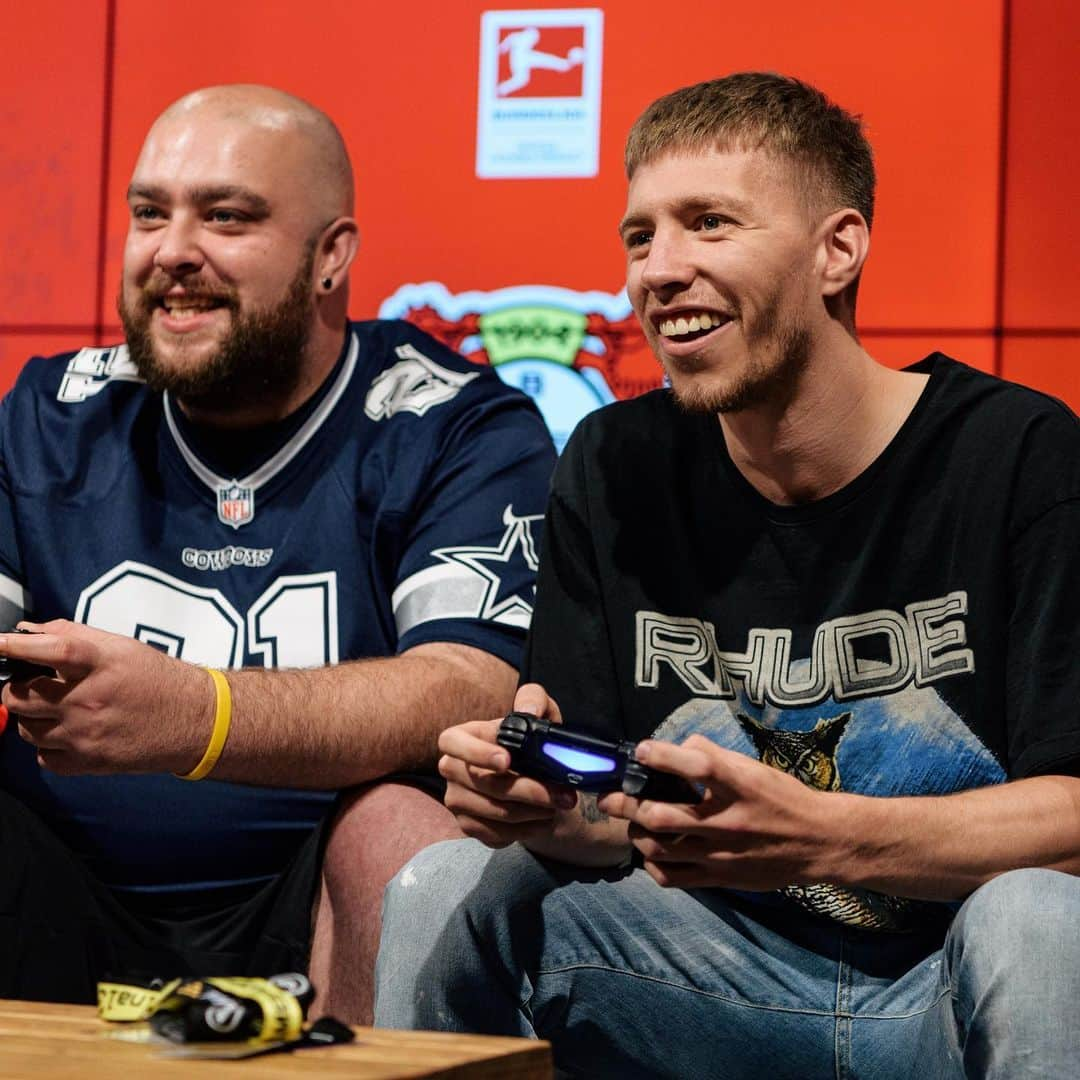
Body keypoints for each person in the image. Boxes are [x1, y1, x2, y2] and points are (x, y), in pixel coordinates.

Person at [373, 72, 1080, 1077]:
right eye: (640, 236)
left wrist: (824, 835)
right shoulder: (615, 463)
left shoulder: (1020, 455)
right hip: (701, 973)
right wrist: (540, 808)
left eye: (708, 223)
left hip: (952, 988)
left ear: (839, 248)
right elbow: (607, 819)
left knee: (1041, 918)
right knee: (443, 880)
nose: (659, 269)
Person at [0, 84, 556, 1024]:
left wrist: (197, 716)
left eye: (226, 216)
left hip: (314, 905)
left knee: (396, 830)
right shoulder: (53, 412)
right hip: (62, 893)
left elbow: (473, 686)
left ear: (331, 255)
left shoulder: (451, 423)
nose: (173, 251)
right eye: (149, 214)